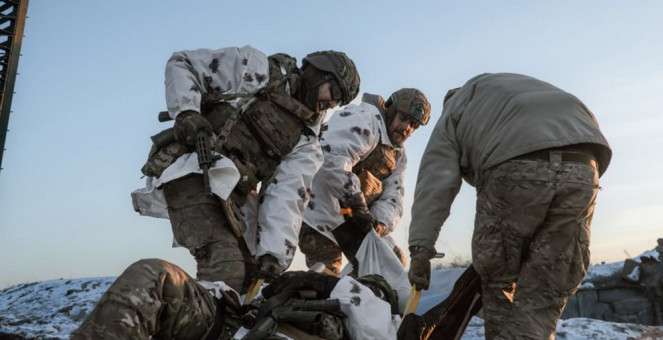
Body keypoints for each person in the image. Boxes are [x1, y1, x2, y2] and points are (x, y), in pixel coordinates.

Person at [131, 45, 360, 293]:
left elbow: (287, 195)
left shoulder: (306, 141)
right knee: (225, 268)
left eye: (339, 101)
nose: (331, 103)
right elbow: (183, 63)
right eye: (335, 91)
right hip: (193, 169)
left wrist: (273, 254)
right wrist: (187, 112)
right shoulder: (257, 70)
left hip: (232, 199)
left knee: (250, 280)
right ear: (319, 74)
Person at [407, 73, 612, 339]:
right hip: (584, 165)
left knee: (498, 282)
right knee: (546, 290)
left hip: (514, 165)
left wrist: (420, 250)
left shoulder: (456, 108)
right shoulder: (512, 89)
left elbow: (435, 182)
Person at [70, 258, 400, 340]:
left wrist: (329, 283)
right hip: (230, 324)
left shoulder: (382, 317)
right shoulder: (313, 286)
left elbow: (370, 322)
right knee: (156, 275)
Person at [299, 88, 431, 274]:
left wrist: (378, 224)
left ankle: (357, 296)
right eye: (404, 119)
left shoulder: (398, 155)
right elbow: (331, 157)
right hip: (317, 212)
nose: (406, 128)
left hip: (355, 221)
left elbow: (393, 197)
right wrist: (356, 201)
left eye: (413, 125)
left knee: (391, 262)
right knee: (324, 276)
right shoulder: (362, 118)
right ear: (391, 110)